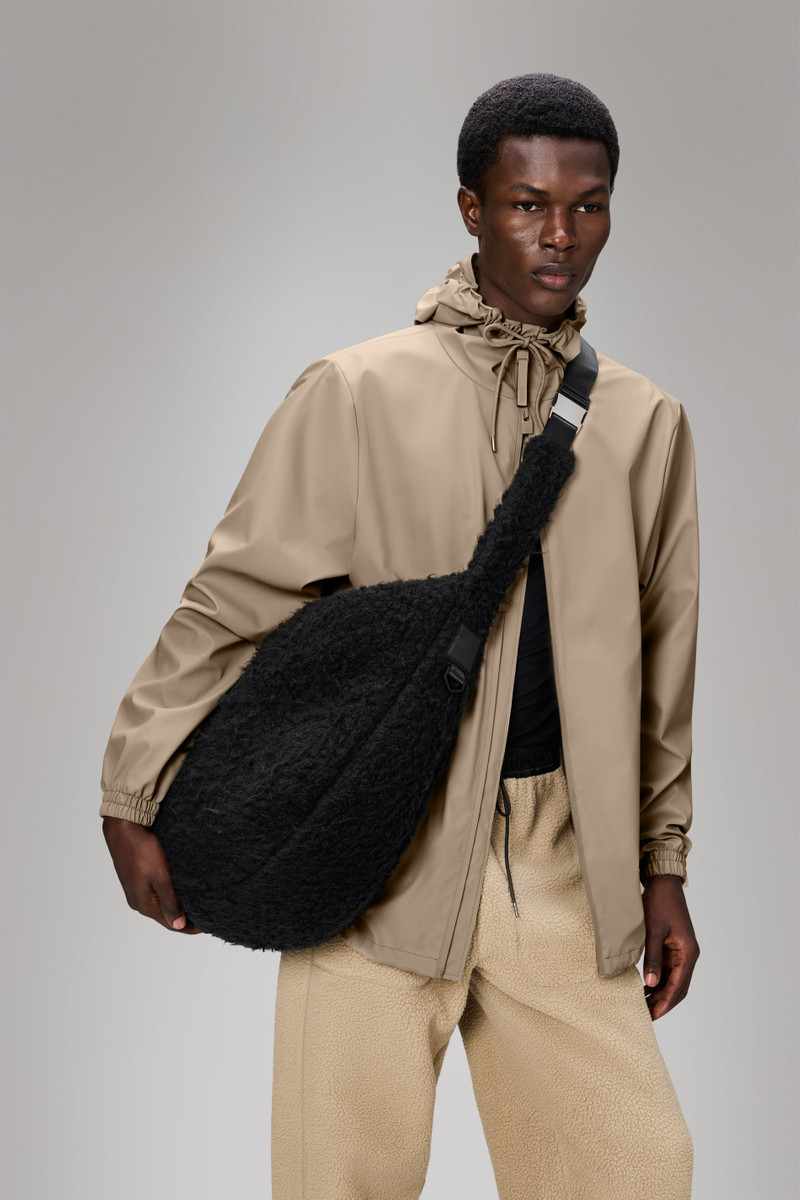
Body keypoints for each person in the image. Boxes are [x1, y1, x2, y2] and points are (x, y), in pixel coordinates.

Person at [100, 73, 700, 1198]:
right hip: (372, 847)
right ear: (471, 208)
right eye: (527, 204)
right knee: (338, 1185)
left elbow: (661, 669)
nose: (560, 235)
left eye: (587, 206)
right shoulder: (355, 391)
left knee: (636, 1168)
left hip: (558, 863)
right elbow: (231, 598)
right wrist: (131, 790)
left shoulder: (643, 422)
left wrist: (661, 867)